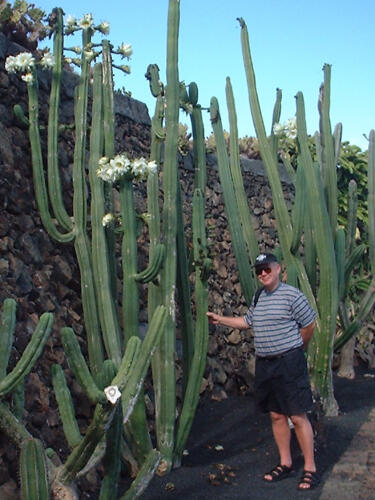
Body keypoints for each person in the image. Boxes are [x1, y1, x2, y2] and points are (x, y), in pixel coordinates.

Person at [206, 253, 319, 491]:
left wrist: (299, 348)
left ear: (278, 269)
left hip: (289, 362)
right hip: (266, 364)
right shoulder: (259, 296)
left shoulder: (292, 295)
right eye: (259, 271)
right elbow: (247, 322)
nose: (263, 274)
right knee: (277, 415)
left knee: (297, 415)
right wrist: (220, 319)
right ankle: (285, 463)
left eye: (267, 269)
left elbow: (309, 324)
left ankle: (310, 468)